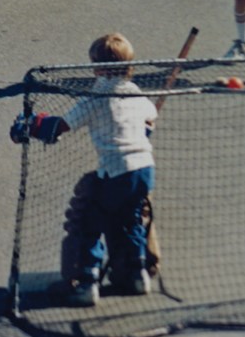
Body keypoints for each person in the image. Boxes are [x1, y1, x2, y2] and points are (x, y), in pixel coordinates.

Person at [10, 33, 157, 307]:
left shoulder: (95, 98)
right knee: (131, 220)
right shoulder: (139, 94)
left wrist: (31, 126)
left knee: (89, 221)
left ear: (99, 68)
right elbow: (150, 120)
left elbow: (61, 126)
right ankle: (137, 276)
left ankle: (86, 284)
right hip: (145, 170)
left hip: (117, 172)